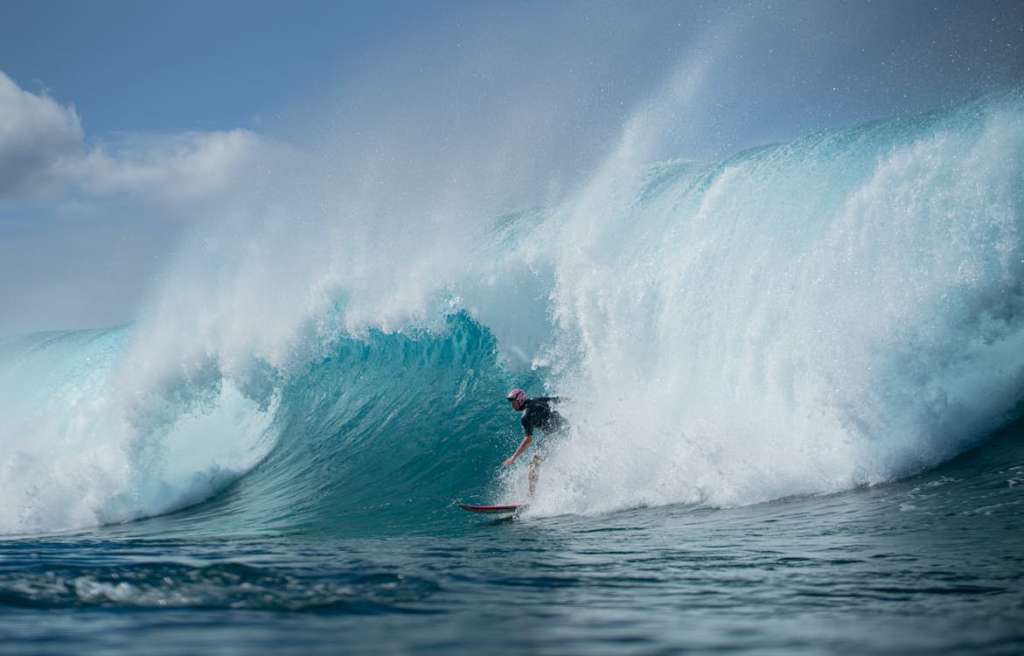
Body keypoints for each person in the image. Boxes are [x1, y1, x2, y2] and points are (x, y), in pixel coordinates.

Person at [502, 388, 567, 496]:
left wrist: (513, 458)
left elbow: (528, 439)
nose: (512, 406)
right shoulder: (538, 400)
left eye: (513, 402)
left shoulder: (525, 416)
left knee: (534, 463)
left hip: (555, 435)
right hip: (566, 428)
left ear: (520, 400)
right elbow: (559, 399)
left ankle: (531, 496)